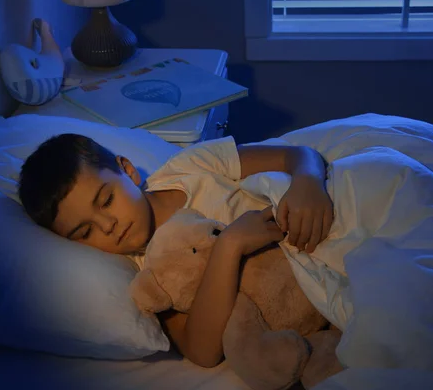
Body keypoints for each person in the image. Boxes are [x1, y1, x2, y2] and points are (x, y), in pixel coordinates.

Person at [18, 133, 334, 368]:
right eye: (85, 231)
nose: (108, 225)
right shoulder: (149, 274)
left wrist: (307, 181)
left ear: (127, 171)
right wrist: (229, 247)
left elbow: (297, 156)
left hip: (329, 234)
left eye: (106, 200)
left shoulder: (189, 168)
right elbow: (202, 352)